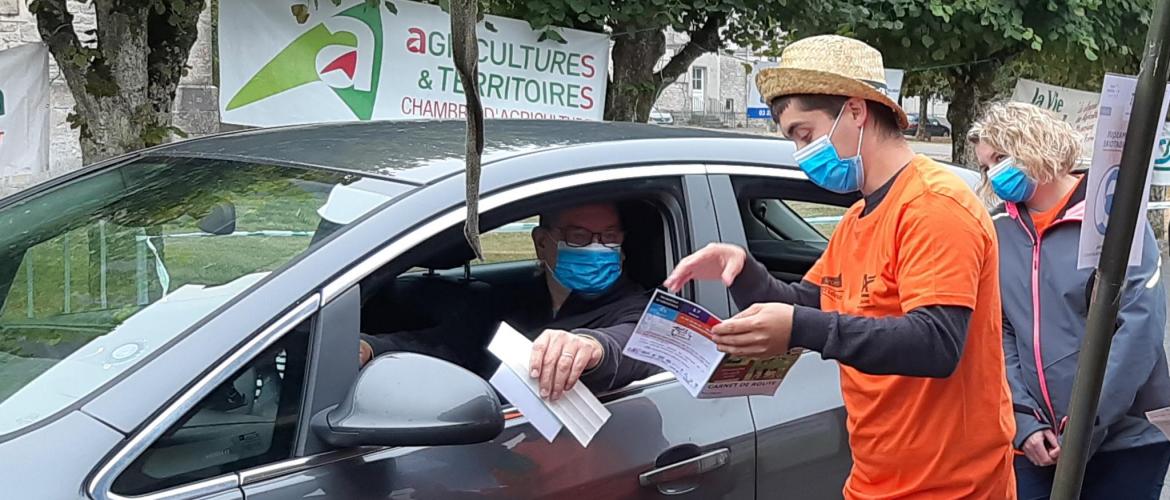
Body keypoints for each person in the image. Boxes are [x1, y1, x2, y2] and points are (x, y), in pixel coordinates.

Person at [663, 35, 1016, 498]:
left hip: (951, 484)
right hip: (876, 477)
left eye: (804, 134)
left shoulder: (934, 205)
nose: (801, 153)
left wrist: (799, 328)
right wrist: (743, 269)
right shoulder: (856, 219)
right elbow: (811, 300)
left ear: (855, 111)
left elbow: (937, 342)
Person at [971, 102, 1170, 500]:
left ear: (1035, 147)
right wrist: (1023, 421)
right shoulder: (997, 229)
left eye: (1000, 157)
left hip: (1126, 441)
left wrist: (1084, 425)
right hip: (1037, 443)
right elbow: (1001, 331)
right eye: (985, 164)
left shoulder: (1113, 216)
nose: (993, 173)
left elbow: (1139, 329)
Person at [360, 203, 659, 401]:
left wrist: (591, 347)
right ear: (542, 242)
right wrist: (375, 348)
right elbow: (451, 343)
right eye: (579, 237)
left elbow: (636, 343)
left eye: (609, 237)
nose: (598, 247)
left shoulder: (634, 305)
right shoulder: (513, 297)